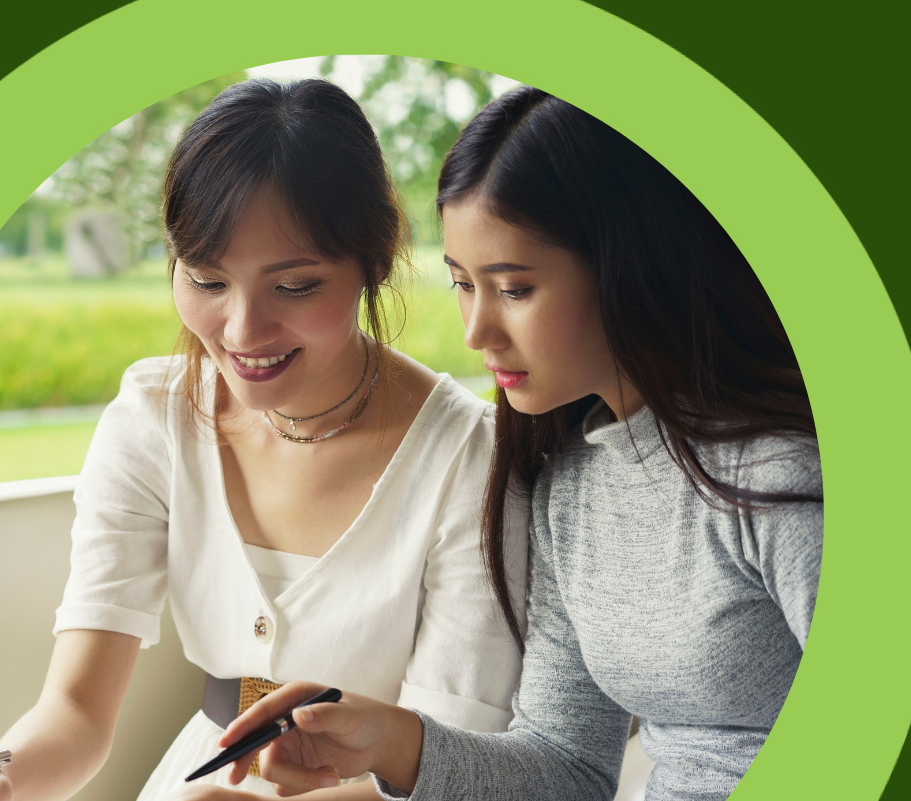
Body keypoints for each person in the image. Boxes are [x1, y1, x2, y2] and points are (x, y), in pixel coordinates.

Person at [189, 87, 824, 801]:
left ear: (630, 267)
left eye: (514, 289)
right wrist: (394, 741)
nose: (475, 331)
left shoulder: (780, 477)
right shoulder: (569, 483)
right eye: (463, 284)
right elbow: (568, 769)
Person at [0, 79, 525, 801]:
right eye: (207, 279)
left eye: (296, 286)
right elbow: (76, 713)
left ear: (373, 262)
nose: (242, 332)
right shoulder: (154, 416)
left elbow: (457, 767)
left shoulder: (471, 460)